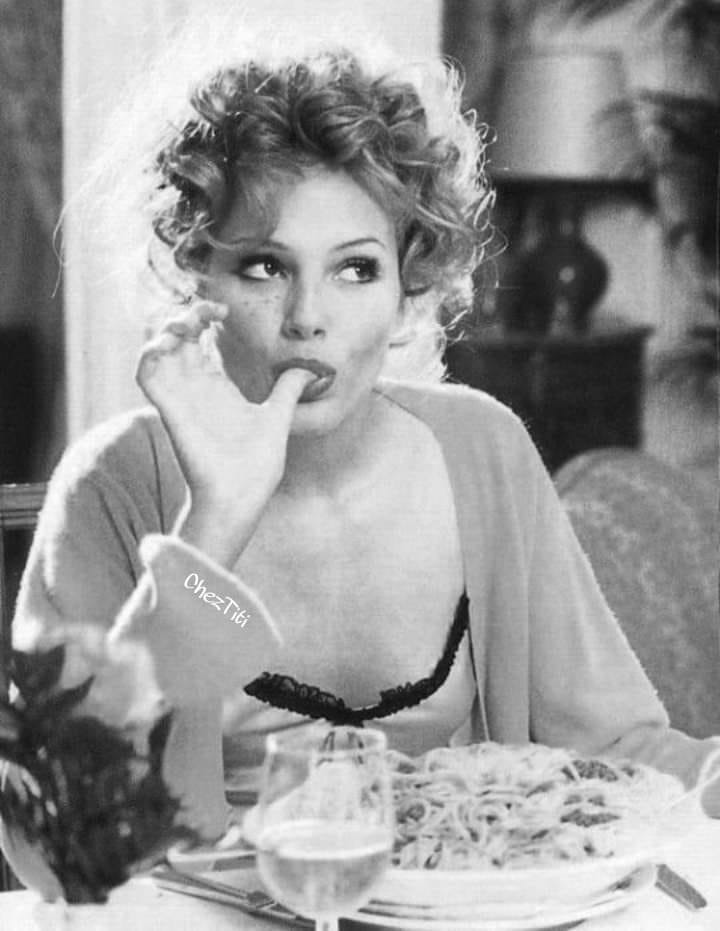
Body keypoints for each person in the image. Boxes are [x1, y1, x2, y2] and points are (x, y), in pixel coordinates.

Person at [2, 27, 719, 897]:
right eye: (263, 266)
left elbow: (615, 750)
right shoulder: (114, 486)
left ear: (410, 281)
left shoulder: (482, 450)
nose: (308, 316)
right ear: (199, 273)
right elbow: (51, 843)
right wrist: (210, 527)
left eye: (355, 269)